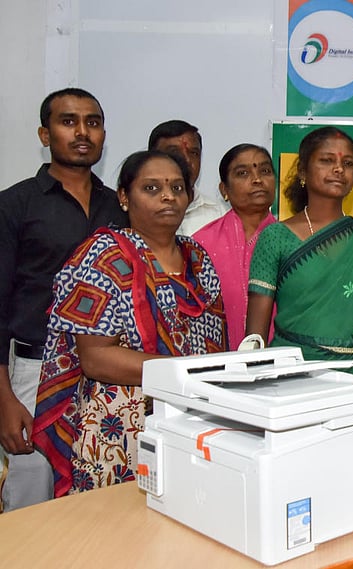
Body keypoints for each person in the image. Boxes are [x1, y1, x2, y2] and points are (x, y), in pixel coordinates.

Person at [31, 150, 227, 496]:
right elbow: (96, 358)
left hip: (190, 419)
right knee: (115, 537)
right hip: (119, 424)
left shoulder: (197, 257)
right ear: (124, 197)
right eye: (151, 188)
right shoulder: (103, 256)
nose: (168, 196)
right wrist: (187, 371)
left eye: (177, 188)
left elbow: (216, 344)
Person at [0, 88, 128, 511]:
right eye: (68, 121)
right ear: (44, 133)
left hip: (110, 373)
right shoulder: (14, 204)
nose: (82, 132)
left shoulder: (121, 208)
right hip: (34, 374)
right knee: (32, 495)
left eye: (92, 122)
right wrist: (4, 398)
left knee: (104, 493)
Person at [247, 127, 353, 378]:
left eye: (348, 163)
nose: (339, 169)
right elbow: (254, 338)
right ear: (303, 170)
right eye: (327, 161)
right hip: (292, 376)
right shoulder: (275, 237)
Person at [194, 144, 277, 350]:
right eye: (243, 173)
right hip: (214, 364)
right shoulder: (201, 243)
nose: (257, 179)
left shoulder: (292, 242)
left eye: (265, 171)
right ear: (225, 190)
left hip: (280, 362)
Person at [148, 119, 229, 235]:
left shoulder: (221, 215)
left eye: (194, 153)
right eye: (174, 152)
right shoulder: (139, 213)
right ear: (151, 159)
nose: (187, 160)